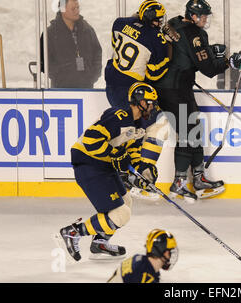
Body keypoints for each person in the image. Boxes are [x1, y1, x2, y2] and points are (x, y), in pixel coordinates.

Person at [152, 0, 241, 203]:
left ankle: (198, 177)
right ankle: (179, 183)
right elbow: (208, 69)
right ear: (194, 15)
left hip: (169, 85)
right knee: (188, 132)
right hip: (176, 88)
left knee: (194, 128)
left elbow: (185, 53)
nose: (206, 19)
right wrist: (229, 61)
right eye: (203, 16)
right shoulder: (195, 34)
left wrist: (206, 53)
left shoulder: (174, 23)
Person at [56, 82, 169, 261]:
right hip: (88, 164)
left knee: (126, 201)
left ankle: (100, 241)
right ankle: (73, 232)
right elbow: (91, 140)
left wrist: (141, 175)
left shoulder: (138, 126)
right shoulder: (119, 115)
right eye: (149, 102)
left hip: (103, 166)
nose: (152, 107)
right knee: (120, 214)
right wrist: (115, 153)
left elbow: (131, 156)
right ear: (139, 101)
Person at [105, 0, 170, 109]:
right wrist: (168, 45)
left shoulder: (119, 22)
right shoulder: (157, 40)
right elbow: (154, 75)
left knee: (119, 117)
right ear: (150, 19)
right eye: (158, 20)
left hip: (111, 80)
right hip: (130, 89)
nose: (160, 23)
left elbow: (114, 44)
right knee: (135, 121)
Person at [42, 0, 102, 88]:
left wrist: (94, 75)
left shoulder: (87, 29)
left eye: (78, 8)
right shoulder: (50, 33)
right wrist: (59, 76)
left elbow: (97, 52)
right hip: (61, 88)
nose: (77, 11)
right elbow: (45, 61)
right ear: (62, 10)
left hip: (86, 86)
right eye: (73, 9)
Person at [107, 229, 178, 283]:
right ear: (161, 251)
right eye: (169, 252)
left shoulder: (139, 259)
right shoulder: (145, 277)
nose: (170, 256)